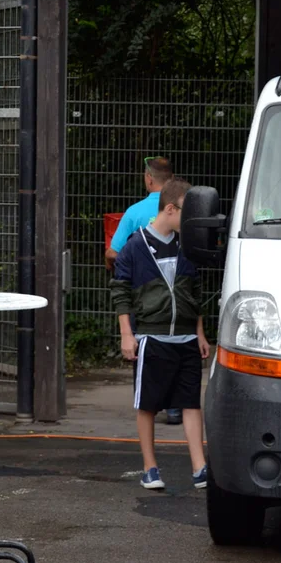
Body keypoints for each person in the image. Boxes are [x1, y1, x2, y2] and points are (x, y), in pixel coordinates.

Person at [109, 177, 210, 491]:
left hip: (187, 339)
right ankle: (150, 468)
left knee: (191, 402)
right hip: (152, 338)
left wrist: (200, 333)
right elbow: (121, 291)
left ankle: (200, 468)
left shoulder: (186, 246)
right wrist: (127, 334)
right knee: (148, 405)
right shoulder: (135, 246)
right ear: (170, 209)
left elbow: (194, 291)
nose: (191, 221)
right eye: (186, 213)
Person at [106, 156, 183, 425]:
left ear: (149, 178)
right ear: (171, 180)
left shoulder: (134, 212)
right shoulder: (183, 210)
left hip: (142, 296)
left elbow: (113, 252)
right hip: (176, 294)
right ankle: (175, 407)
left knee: (142, 347)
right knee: (176, 344)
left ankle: (147, 402)